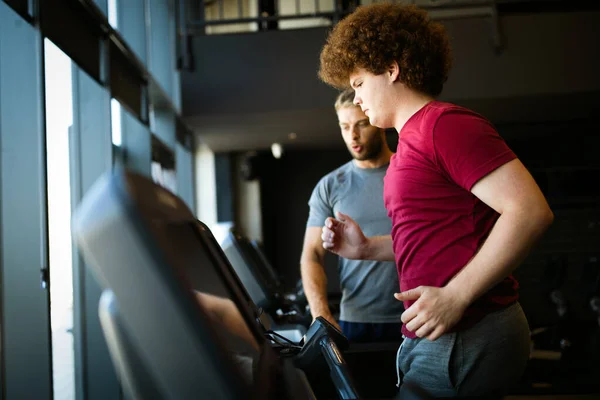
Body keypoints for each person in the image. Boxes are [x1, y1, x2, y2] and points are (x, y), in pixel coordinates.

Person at [318, 3, 554, 398]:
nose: (356, 98)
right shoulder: (408, 143)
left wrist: (457, 296)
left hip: (468, 330)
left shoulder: (444, 125)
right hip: (434, 333)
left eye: (359, 84)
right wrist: (366, 249)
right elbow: (436, 237)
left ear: (392, 69)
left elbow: (529, 211)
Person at [300, 88, 404, 343]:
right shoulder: (331, 185)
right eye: (345, 127)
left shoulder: (409, 171)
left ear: (377, 121)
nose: (353, 136)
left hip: (415, 314)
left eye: (361, 124)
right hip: (357, 320)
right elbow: (311, 254)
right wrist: (320, 314)